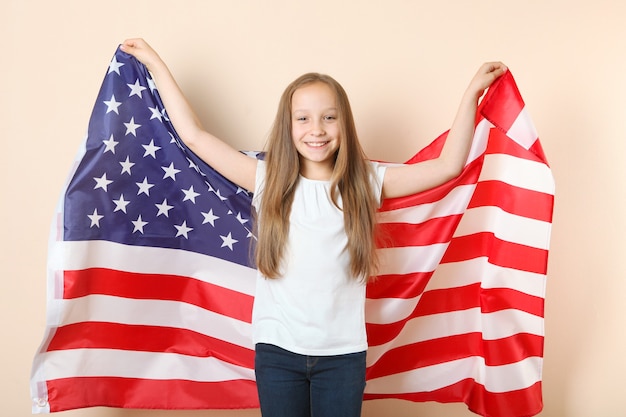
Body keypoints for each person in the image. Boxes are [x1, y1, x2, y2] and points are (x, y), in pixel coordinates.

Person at [121, 38, 506, 417]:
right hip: (277, 354)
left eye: (329, 116)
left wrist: (471, 93)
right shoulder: (268, 179)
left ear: (344, 122)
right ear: (288, 126)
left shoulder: (364, 182)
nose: (316, 129)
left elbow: (446, 167)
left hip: (342, 357)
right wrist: (155, 63)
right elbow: (194, 137)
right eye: (303, 118)